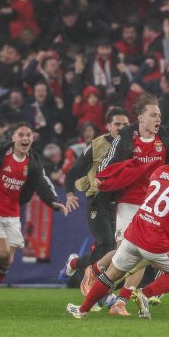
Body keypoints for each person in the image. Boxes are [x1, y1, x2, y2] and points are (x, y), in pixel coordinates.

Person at [67, 137, 169, 320]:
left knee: (111, 274)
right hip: (155, 241)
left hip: (134, 233)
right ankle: (144, 294)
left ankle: (82, 310)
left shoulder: (160, 170)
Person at [0, 123, 78, 304]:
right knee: (1, 252)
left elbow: (43, 182)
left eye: (28, 135)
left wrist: (54, 201)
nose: (25, 138)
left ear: (32, 138)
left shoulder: (33, 161)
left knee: (7, 260)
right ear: (13, 137)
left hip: (12, 214)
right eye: (21, 135)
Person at [88, 94, 169, 315]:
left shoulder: (167, 137)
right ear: (141, 118)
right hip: (128, 202)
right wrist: (102, 178)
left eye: (159, 115)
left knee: (141, 254)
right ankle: (94, 270)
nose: (158, 119)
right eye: (153, 115)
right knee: (124, 252)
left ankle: (120, 301)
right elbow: (109, 161)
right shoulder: (127, 137)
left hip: (153, 206)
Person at [57, 107, 129, 285]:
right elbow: (73, 171)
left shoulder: (134, 145)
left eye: (125, 124)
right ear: (108, 126)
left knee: (117, 250)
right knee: (107, 246)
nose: (121, 128)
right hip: (98, 200)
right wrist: (69, 194)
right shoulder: (97, 145)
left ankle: (79, 267)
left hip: (122, 203)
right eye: (117, 124)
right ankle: (79, 268)